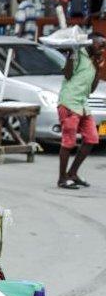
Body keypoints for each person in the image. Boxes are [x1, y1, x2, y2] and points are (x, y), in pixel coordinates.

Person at [56, 34, 105, 189]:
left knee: (92, 138)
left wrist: (97, 68)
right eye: (101, 45)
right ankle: (62, 178)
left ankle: (72, 173)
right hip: (69, 103)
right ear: (90, 43)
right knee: (68, 142)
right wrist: (71, 54)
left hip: (83, 105)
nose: (103, 49)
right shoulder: (77, 53)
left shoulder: (95, 60)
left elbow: (91, 89)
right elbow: (68, 75)